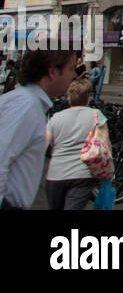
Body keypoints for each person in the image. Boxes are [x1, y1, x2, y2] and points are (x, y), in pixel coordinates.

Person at [0, 50, 78, 209]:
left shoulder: (27, 103)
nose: (74, 75)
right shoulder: (26, 106)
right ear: (52, 72)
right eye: (70, 69)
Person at [45, 75, 106, 210]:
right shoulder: (97, 115)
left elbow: (44, 144)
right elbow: (105, 145)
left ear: (69, 97)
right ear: (88, 97)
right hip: (82, 173)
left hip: (56, 173)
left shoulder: (56, 118)